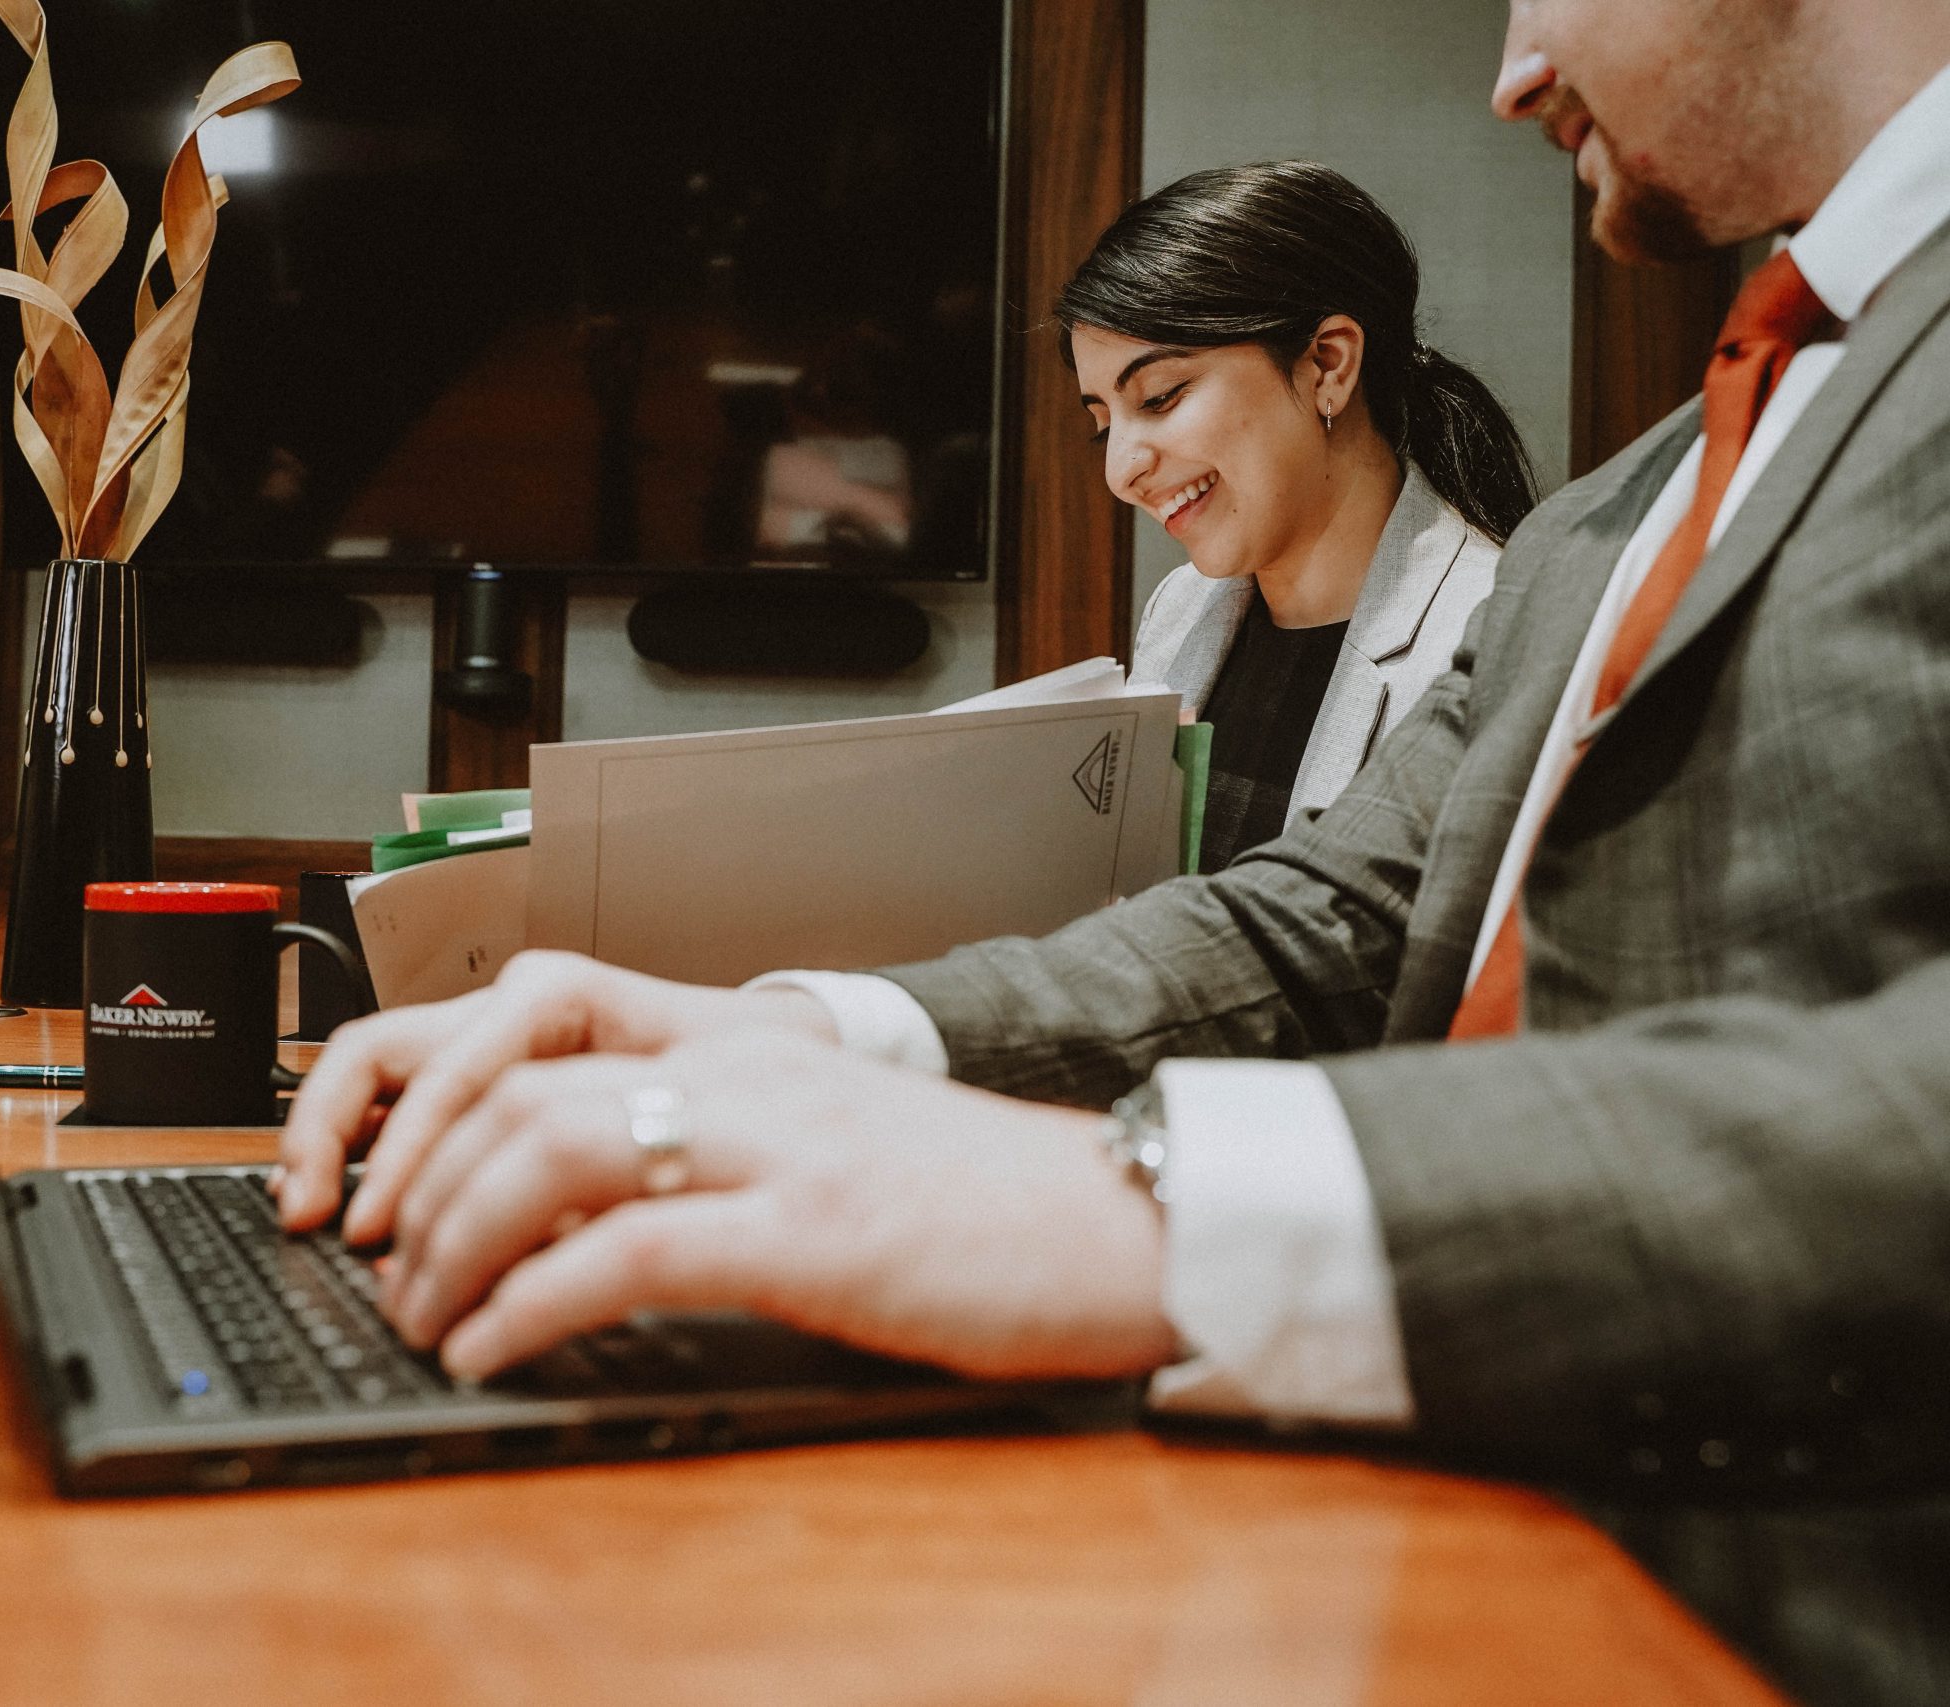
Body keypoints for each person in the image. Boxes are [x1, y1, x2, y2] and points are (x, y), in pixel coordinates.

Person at [276, 0, 1950, 1505]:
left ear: (1329, 368)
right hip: (1410, 1463)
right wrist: (807, 1034)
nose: (1510, 74)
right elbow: (1323, 921)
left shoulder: (1551, 541)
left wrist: (1138, 1205)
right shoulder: (1621, 511)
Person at [1077, 161, 1532, 871]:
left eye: (1160, 397)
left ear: (1327, 364)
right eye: (1104, 424)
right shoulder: (1180, 608)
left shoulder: (1495, 630)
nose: (1122, 470)